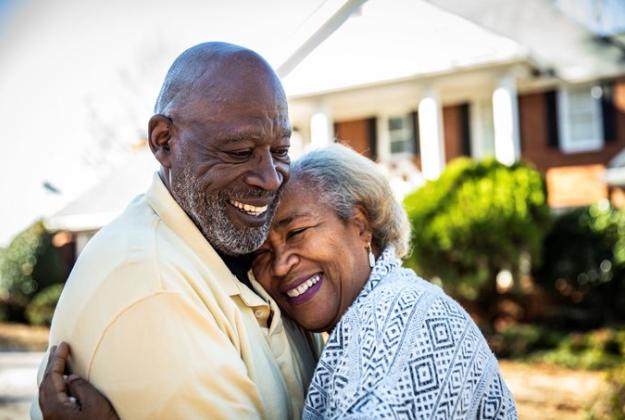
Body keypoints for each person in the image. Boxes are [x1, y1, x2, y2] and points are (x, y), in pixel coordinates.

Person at [41, 144, 518, 419]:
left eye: (298, 232)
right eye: (263, 253)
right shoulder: (358, 326)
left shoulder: (398, 319)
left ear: (361, 224)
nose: (283, 263)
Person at [32, 42, 323, 420]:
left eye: (281, 150)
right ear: (164, 141)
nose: (270, 179)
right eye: (238, 152)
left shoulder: (248, 255)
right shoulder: (151, 283)